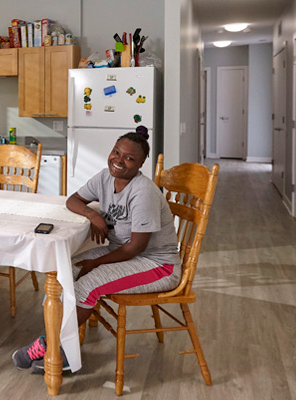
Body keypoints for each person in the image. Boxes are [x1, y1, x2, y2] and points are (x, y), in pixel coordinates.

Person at [11, 126, 181, 372]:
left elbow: (136, 247)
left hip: (156, 265)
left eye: (129, 158)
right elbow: (73, 200)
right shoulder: (104, 177)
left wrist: (96, 263)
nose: (119, 161)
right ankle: (64, 345)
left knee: (87, 285)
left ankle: (50, 347)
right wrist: (93, 215)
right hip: (123, 253)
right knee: (63, 271)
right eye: (116, 152)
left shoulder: (143, 192)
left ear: (141, 164)